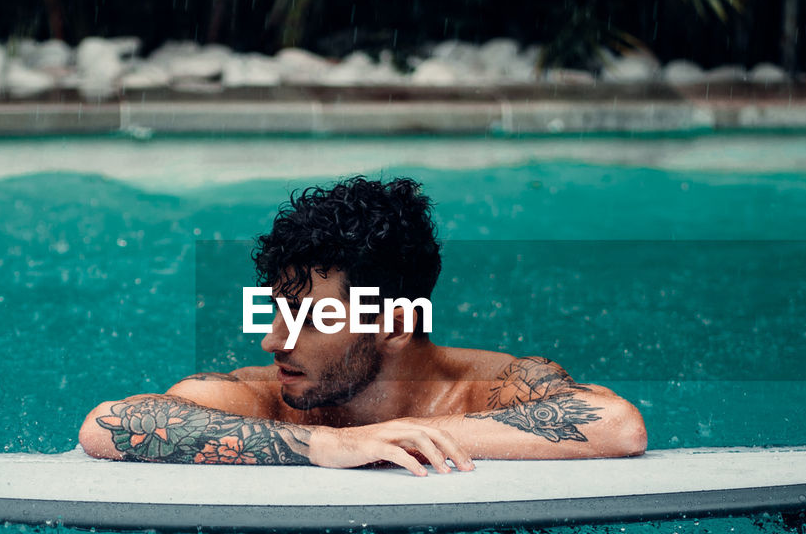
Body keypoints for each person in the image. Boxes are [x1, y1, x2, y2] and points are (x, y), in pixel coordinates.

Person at [79, 177, 646, 476]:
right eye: (277, 308)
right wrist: (327, 444)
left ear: (394, 325)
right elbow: (109, 425)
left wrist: (399, 438)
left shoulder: (489, 391)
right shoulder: (270, 399)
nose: (272, 339)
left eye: (309, 316)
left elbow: (618, 426)